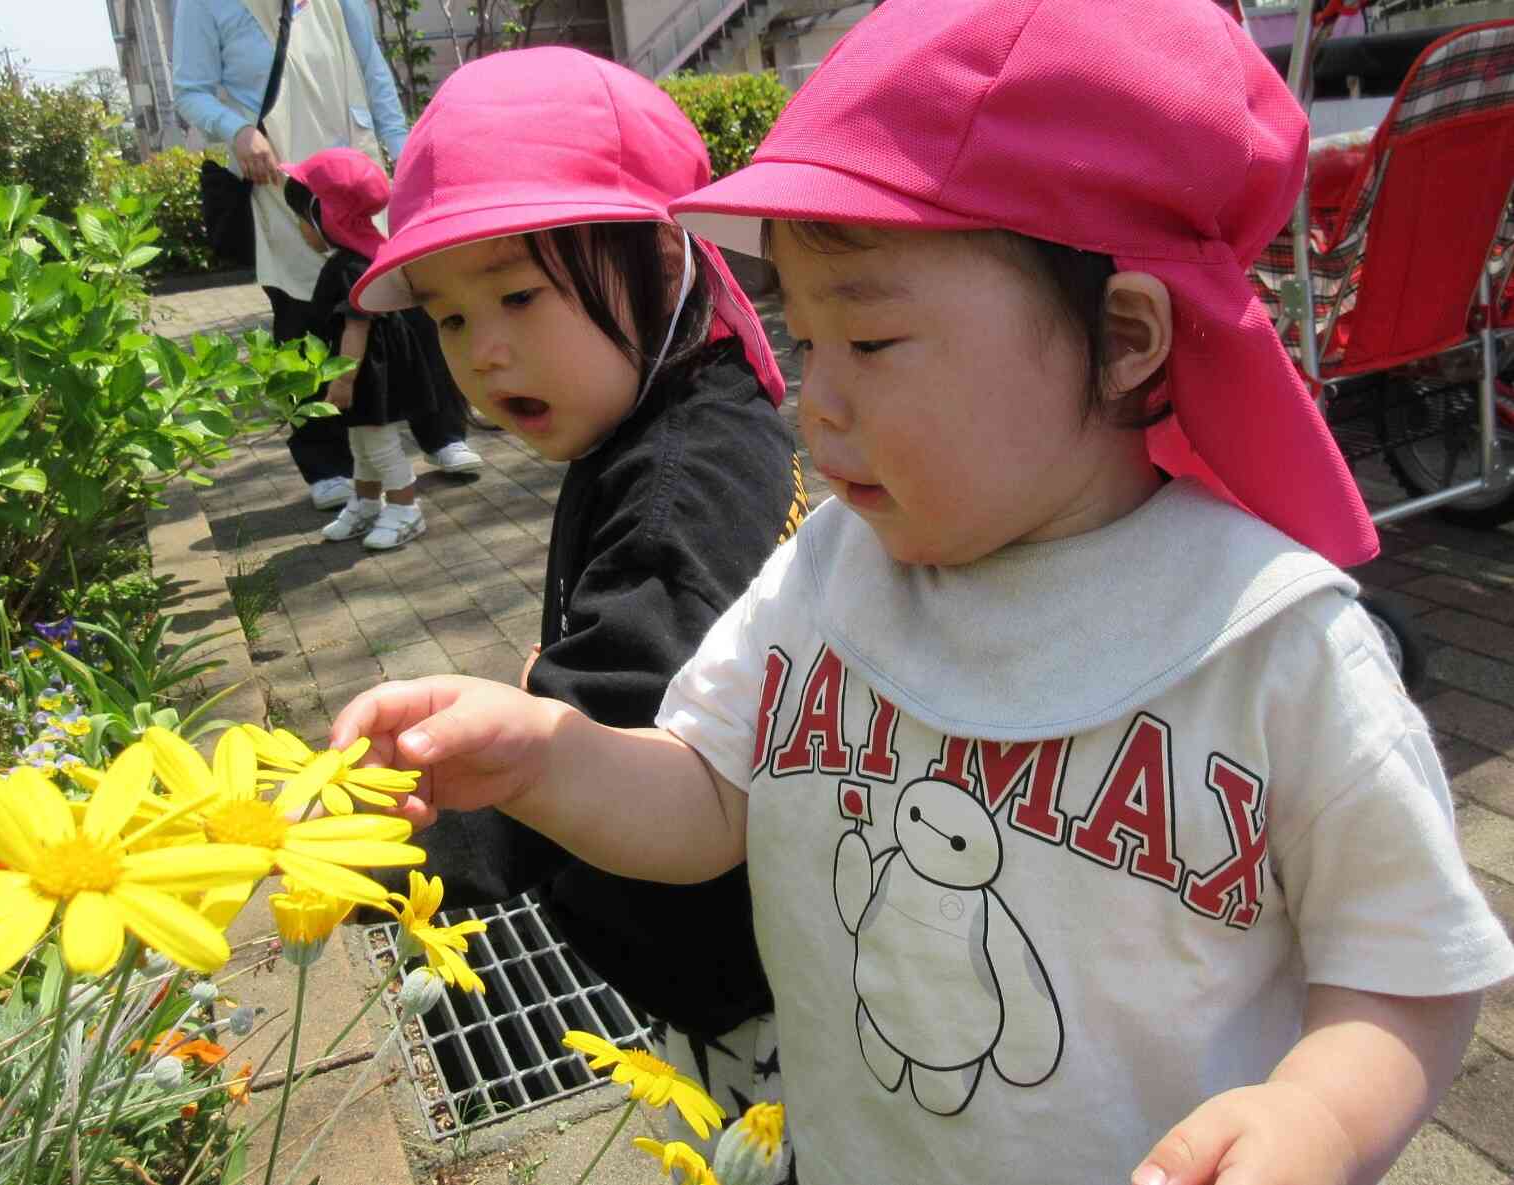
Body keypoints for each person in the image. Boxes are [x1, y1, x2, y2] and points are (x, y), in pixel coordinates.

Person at [330, 2, 1514, 1183]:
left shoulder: (1271, 646)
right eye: (804, 343)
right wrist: (548, 760)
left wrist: (1317, 1119)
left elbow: (1404, 967)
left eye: (871, 342)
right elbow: (704, 799)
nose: (815, 402)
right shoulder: (827, 573)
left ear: (1123, 337)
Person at [346, 48, 808, 1174]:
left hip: (741, 970)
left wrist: (352, 852)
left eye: (515, 295)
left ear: (661, 259)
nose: (484, 350)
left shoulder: (679, 480)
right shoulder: (665, 409)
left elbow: (618, 715)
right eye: (449, 319)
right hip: (715, 927)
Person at [172, 0, 481, 513]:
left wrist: (402, 152)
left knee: (403, 302)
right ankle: (327, 466)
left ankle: (443, 431)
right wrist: (236, 130)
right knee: (303, 318)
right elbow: (189, 91)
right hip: (281, 180)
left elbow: (372, 69)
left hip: (355, 174)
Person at [281, 148, 452, 549]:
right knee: (360, 442)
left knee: (379, 442)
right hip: (365, 371)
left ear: (327, 215)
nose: (300, 229)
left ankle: (406, 509)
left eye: (303, 218)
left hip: (368, 373)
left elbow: (356, 327)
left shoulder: (350, 268)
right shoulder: (358, 257)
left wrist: (343, 381)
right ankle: (367, 502)